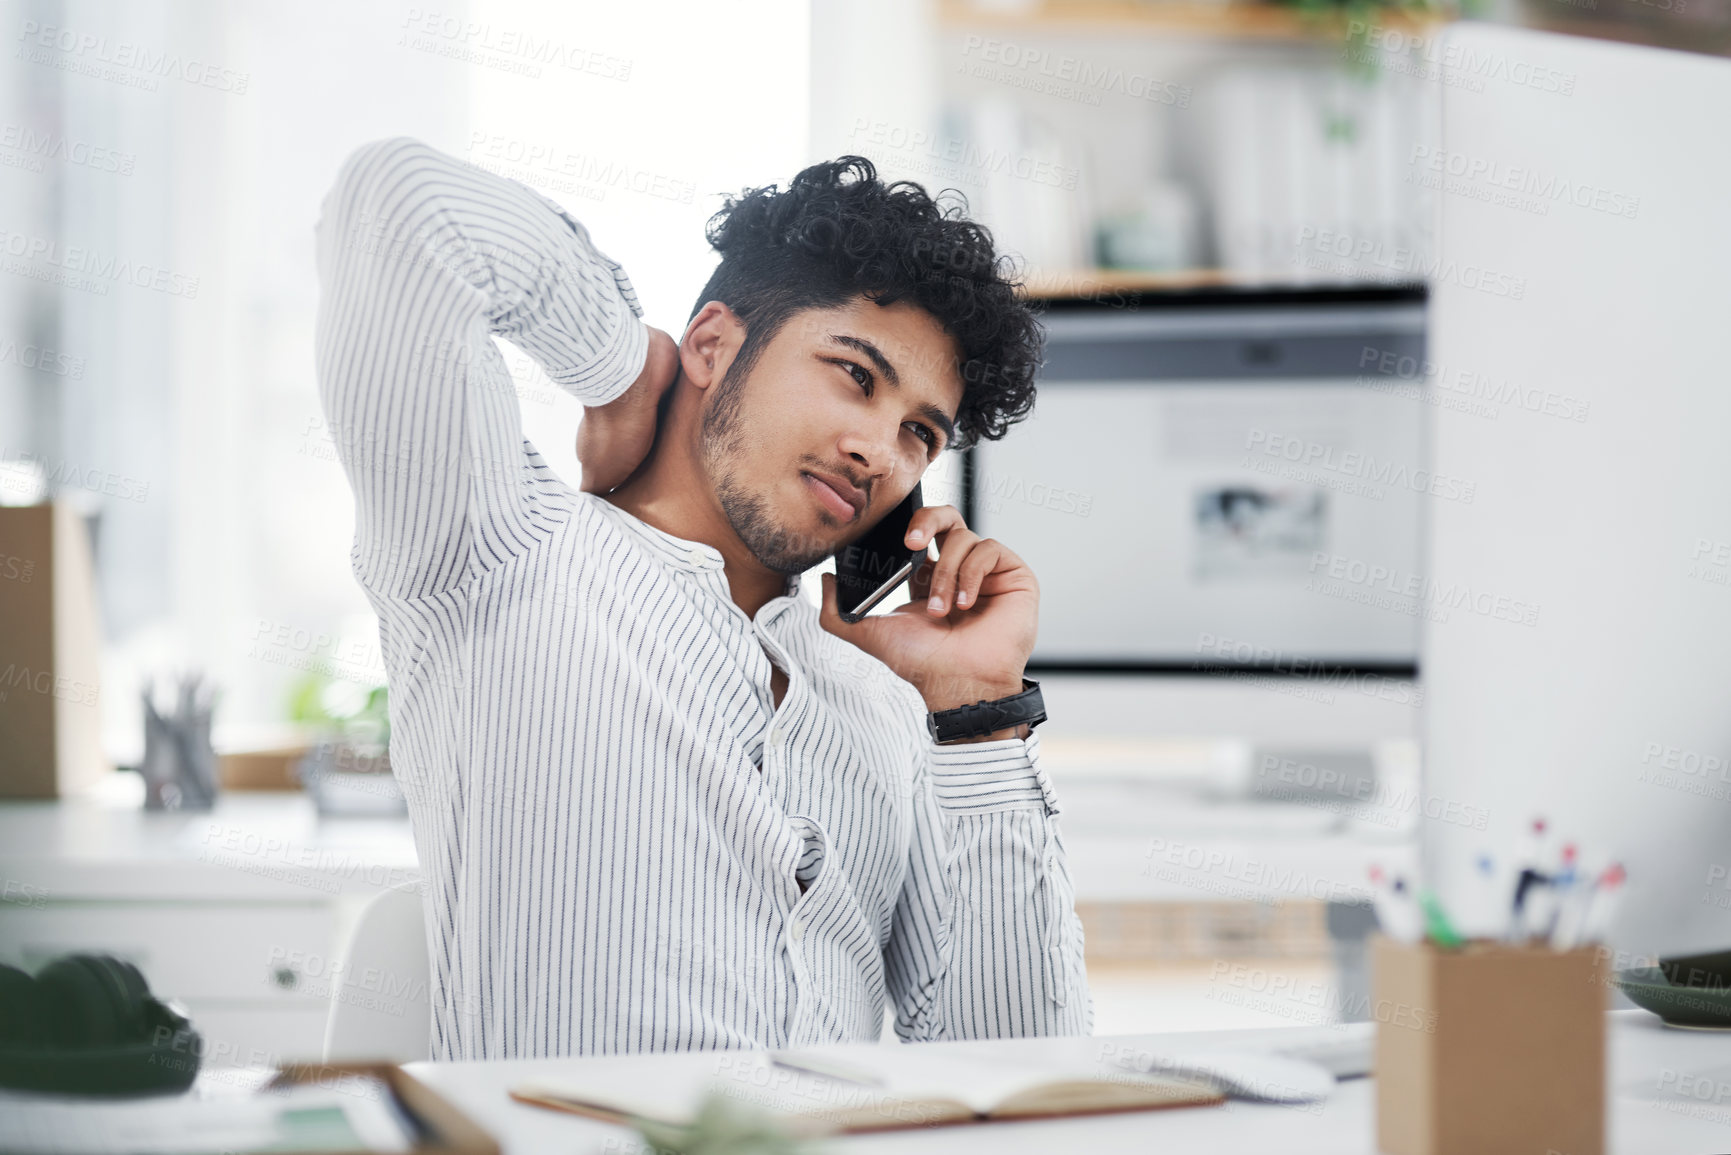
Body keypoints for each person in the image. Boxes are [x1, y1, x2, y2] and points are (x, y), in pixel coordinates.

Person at [313, 136, 1091, 1059]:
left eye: (919, 432)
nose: (881, 453)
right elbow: (401, 204)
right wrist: (616, 366)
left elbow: (1023, 1067)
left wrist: (977, 715)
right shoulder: (502, 548)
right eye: (854, 375)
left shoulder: (888, 708)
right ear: (714, 344)